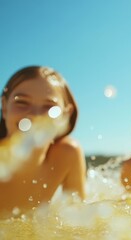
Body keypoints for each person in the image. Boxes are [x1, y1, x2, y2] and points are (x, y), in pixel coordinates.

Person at [0, 66, 86, 215]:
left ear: (66, 114)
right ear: (5, 108)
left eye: (49, 106)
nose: (34, 115)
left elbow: (80, 224)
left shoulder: (67, 154)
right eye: (21, 102)